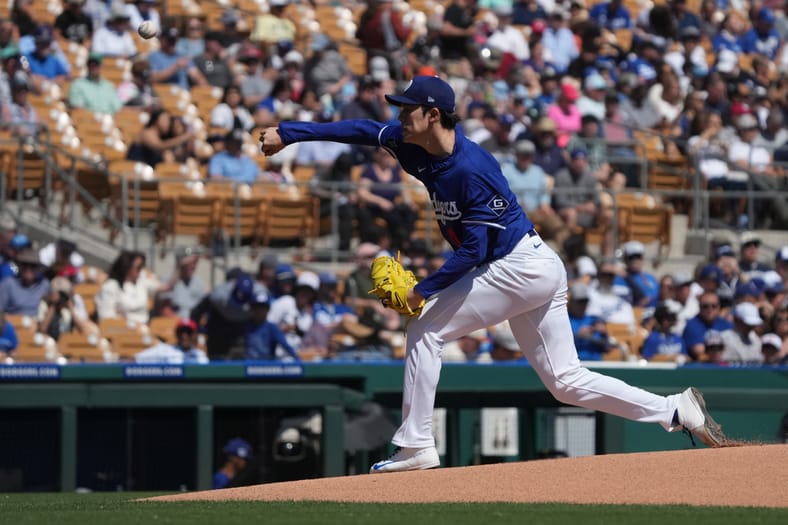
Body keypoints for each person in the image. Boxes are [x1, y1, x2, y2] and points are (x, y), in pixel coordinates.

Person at [259, 75, 728, 473]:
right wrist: (292, 133)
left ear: (434, 115)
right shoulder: (411, 142)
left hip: (518, 264)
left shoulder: (473, 168)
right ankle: (673, 409)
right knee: (564, 381)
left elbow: (476, 250)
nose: (399, 117)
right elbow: (360, 129)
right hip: (526, 265)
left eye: (407, 110)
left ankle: (417, 444)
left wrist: (423, 290)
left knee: (425, 327)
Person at [245, 290, 300, 361]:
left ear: (267, 309)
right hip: (247, 366)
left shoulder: (272, 328)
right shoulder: (246, 326)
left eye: (262, 307)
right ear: (252, 309)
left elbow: (286, 346)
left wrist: (299, 361)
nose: (259, 311)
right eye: (257, 307)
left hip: (267, 367)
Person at [134, 318, 209, 364]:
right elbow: (137, 359)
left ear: (194, 335)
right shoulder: (165, 350)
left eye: (188, 332)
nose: (184, 336)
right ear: (176, 333)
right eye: (181, 332)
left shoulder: (200, 355)